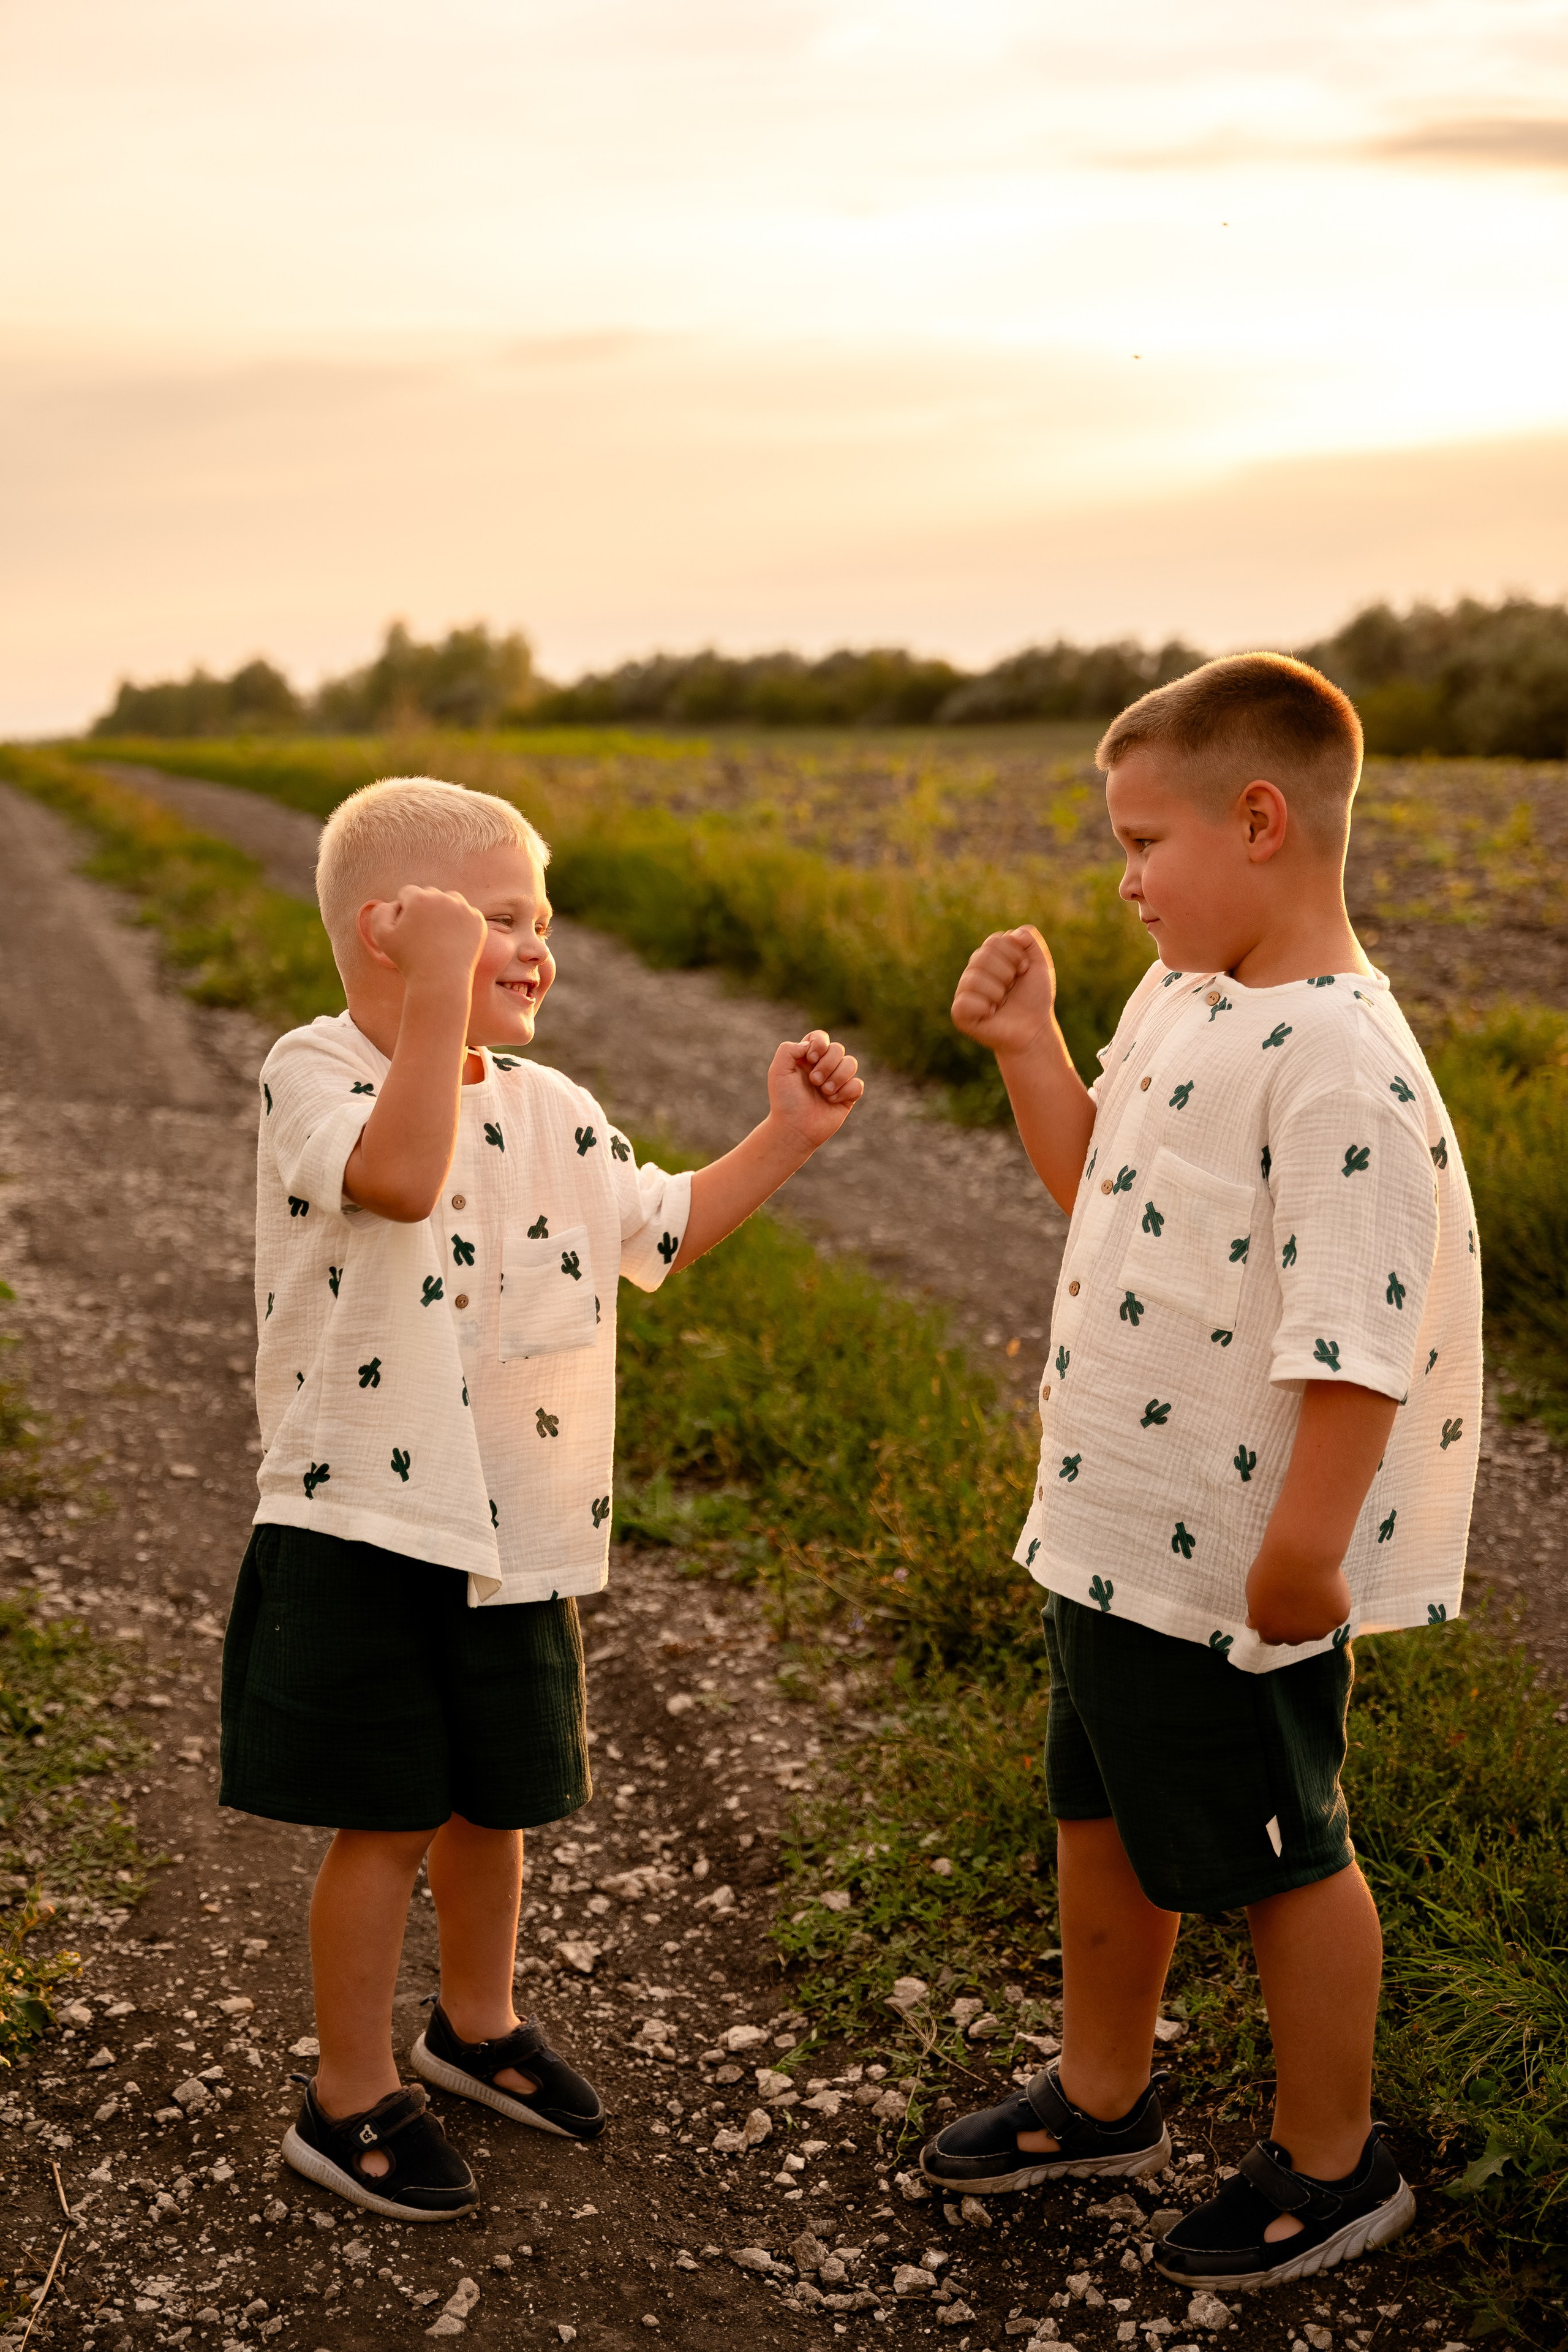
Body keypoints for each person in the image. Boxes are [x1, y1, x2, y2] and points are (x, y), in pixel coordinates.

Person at [219, 775, 862, 2220]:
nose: (536, 949)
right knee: (386, 1817)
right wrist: (437, 997)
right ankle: (345, 2094)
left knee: (493, 1799)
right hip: (363, 1517)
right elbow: (398, 1177)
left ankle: (476, 2024)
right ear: (392, 929)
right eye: (502, 919)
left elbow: (660, 1230)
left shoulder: (555, 1108)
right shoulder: (312, 1071)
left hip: (513, 1520)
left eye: (542, 921)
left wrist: (784, 1139)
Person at [922, 654, 1480, 2290]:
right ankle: (1104, 2097)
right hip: (1111, 1532)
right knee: (1098, 1810)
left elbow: (1357, 1341)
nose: (1125, 881)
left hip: (1235, 1564)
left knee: (1282, 1856)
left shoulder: (1341, 1065)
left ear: (1258, 821)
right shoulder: (1183, 1000)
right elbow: (1100, 1185)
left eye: (1141, 842)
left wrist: (1303, 1552)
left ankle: (1333, 2160)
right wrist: (1030, 1047)